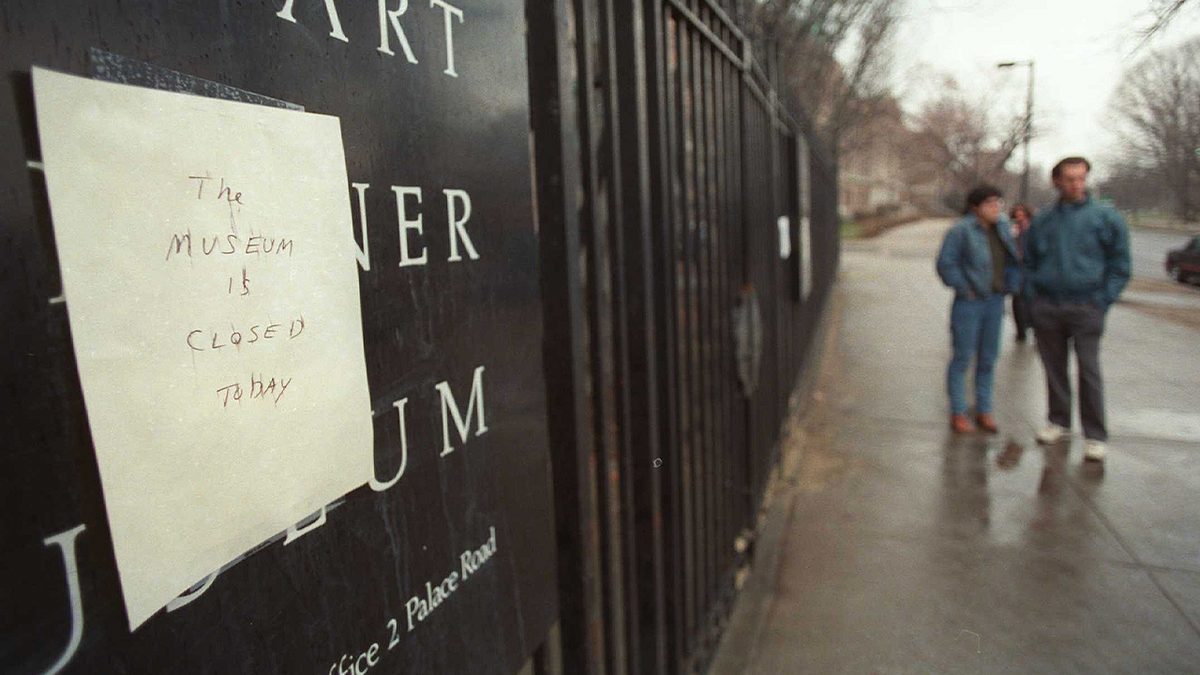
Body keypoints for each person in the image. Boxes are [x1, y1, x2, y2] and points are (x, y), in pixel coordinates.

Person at [1024, 157, 1131, 462]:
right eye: (1070, 179)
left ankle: (1095, 435)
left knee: (1089, 371)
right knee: (1054, 368)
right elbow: (1028, 262)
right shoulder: (1044, 220)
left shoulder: (1105, 218)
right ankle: (1058, 420)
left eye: (1081, 178)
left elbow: (1120, 265)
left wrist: (1102, 301)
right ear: (1056, 181)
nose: (1076, 184)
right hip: (1048, 305)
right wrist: (1033, 298)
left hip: (1086, 306)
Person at [936, 185, 1022, 434]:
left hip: (995, 302)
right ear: (976, 207)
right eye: (990, 203)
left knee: (988, 358)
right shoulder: (961, 231)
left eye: (998, 202)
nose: (996, 208)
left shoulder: (1002, 228)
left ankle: (984, 410)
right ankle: (958, 411)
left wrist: (1012, 283)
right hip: (970, 303)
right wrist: (965, 288)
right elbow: (946, 265)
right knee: (962, 357)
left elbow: (1013, 259)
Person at [1009, 203, 1034, 341]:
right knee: (1017, 299)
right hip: (1016, 267)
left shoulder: (1032, 227)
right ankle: (1021, 329)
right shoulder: (1011, 227)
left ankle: (1032, 326)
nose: (1019, 215)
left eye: (1022, 212)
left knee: (1031, 299)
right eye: (1017, 212)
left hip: (1029, 268)